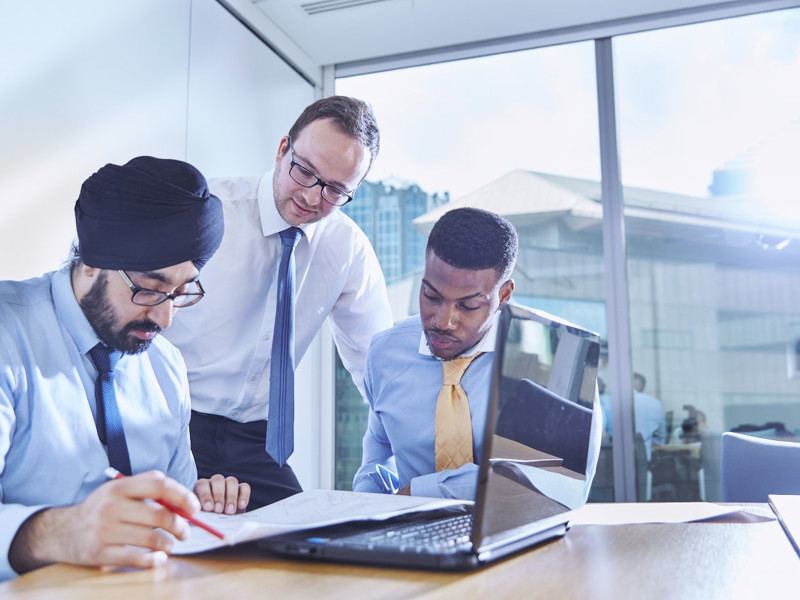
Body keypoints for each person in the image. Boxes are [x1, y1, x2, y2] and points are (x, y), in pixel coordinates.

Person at [0, 156, 251, 581]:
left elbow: (172, 514)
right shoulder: (8, 335)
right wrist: (56, 534)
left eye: (181, 291)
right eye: (151, 290)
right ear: (93, 259)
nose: (166, 318)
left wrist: (195, 506)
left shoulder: (166, 368)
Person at [164, 96, 393, 509]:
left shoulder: (347, 248)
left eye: (336, 190)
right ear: (282, 149)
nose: (311, 196)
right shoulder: (206, 211)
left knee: (309, 549)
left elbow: (378, 368)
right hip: (171, 420)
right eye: (304, 171)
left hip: (258, 440)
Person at [352, 207, 517, 498]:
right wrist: (368, 505)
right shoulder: (386, 354)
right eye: (431, 296)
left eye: (468, 306)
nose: (443, 322)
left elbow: (544, 481)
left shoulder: (547, 360)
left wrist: (420, 491)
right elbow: (378, 452)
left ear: (503, 295)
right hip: (409, 535)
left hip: (521, 538)